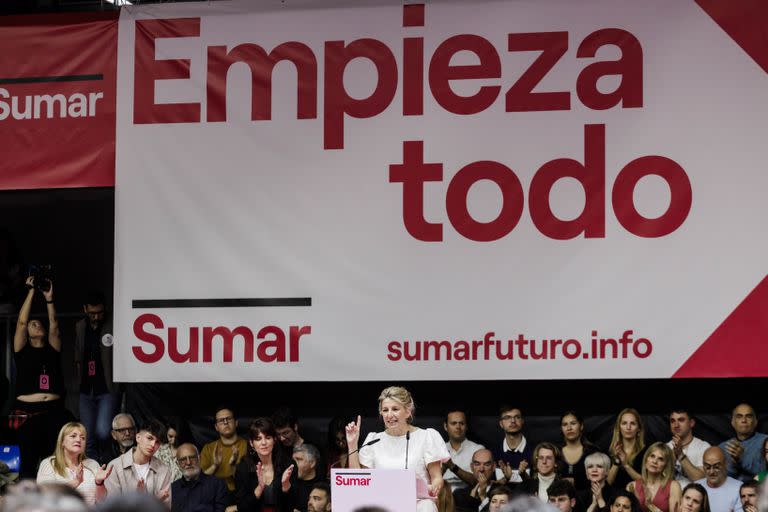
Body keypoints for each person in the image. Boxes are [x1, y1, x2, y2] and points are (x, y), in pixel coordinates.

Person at [346, 385, 450, 512]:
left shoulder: (426, 436)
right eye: (385, 410)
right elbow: (357, 482)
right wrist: (352, 444)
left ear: (408, 411)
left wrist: (431, 489)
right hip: (382, 506)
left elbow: (437, 479)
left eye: (395, 409)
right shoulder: (373, 440)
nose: (389, 415)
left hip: (417, 504)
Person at [11, 275, 71, 477]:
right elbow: (20, 322)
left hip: (53, 411)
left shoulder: (52, 348)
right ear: (27, 332)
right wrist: (30, 292)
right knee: (27, 462)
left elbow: (54, 323)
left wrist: (49, 299)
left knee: (54, 463)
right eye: (33, 324)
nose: (38, 325)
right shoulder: (21, 350)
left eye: (39, 323)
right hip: (28, 412)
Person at [74, 291, 120, 463]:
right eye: (92, 313)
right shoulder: (80, 326)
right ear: (85, 309)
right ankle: (93, 474)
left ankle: (108, 464)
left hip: (107, 387)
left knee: (103, 431)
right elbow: (78, 356)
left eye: (99, 312)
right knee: (87, 437)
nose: (96, 316)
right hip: (86, 389)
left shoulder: (112, 324)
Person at [36, 422, 112, 505]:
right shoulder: (49, 463)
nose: (79, 440)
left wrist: (99, 483)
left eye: (83, 438)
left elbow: (102, 502)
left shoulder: (93, 464)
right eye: (73, 436)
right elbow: (43, 496)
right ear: (62, 442)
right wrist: (76, 482)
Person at [104, 419, 172, 506]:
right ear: (138, 437)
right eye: (149, 438)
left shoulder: (164, 470)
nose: (153, 444)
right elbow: (112, 508)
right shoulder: (115, 467)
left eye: (157, 442)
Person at [234, 417, 297, 512]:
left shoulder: (288, 465)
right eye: (258, 439)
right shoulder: (242, 468)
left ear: (274, 440)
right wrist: (259, 489)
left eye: (268, 437)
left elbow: (291, 507)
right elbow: (241, 507)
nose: (264, 443)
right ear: (251, 443)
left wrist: (285, 486)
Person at [201, 406, 248, 493]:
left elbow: (250, 480)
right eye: (221, 420)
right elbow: (201, 481)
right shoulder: (208, 449)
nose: (225, 422)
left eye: (228, 418)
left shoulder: (247, 446)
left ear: (236, 422)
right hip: (214, 495)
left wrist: (233, 466)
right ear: (216, 427)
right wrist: (214, 466)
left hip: (241, 493)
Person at [171, 443, 228, 512]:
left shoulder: (217, 484)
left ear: (199, 458)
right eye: (183, 459)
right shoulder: (173, 489)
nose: (188, 462)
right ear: (178, 464)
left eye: (192, 457)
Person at [625, 442, 681, 512]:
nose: (655, 461)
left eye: (660, 459)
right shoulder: (632, 486)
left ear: (666, 465)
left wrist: (650, 505)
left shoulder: (674, 486)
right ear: (646, 460)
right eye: (652, 456)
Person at [719, 404, 768, 482]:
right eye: (739, 416)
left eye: (748, 416)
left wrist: (742, 459)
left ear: (755, 422)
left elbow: (765, 474)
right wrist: (734, 463)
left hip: (759, 490)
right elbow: (720, 478)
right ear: (733, 422)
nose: (744, 420)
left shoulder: (765, 442)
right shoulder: (722, 447)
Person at [443, 409, 484, 493]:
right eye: (453, 423)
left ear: (466, 427)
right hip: (442, 495)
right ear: (445, 426)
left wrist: (452, 467)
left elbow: (478, 481)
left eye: (461, 423)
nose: (458, 427)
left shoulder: (478, 450)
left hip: (467, 496)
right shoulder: (438, 449)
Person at [667, 409, 708, 487]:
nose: (676, 425)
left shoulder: (703, 447)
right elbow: (661, 478)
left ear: (691, 423)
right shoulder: (665, 447)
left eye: (681, 420)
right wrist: (673, 456)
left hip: (693, 497)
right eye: (672, 421)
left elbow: (701, 480)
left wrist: (680, 454)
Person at [694, 446, 743, 512]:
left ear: (726, 464)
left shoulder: (739, 488)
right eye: (708, 467)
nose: (712, 472)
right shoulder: (695, 487)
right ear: (703, 466)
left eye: (716, 467)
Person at [608, 409, 646, 490]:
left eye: (632, 423)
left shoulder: (646, 452)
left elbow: (647, 482)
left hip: (638, 498)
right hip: (615, 499)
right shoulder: (610, 451)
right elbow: (608, 482)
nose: (628, 427)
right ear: (619, 427)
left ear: (639, 428)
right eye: (624, 423)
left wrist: (626, 465)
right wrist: (617, 461)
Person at [492, 406, 532, 484]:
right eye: (507, 417)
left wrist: (524, 475)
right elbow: (489, 486)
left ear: (522, 421)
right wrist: (505, 479)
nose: (513, 421)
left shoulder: (535, 451)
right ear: (501, 423)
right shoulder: (493, 452)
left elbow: (538, 486)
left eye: (517, 417)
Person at [559, 411, 597, 491]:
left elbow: (602, 480)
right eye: (565, 425)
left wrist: (577, 482)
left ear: (581, 426)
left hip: (588, 500)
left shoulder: (593, 452)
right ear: (561, 429)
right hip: (558, 501)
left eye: (573, 423)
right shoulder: (555, 452)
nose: (569, 428)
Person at [156, 418, 188, 482]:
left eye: (177, 437)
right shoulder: (160, 450)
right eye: (170, 436)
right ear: (166, 434)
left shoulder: (188, 452)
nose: (173, 441)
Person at [292, 444, 323, 512]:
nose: (293, 464)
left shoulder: (323, 486)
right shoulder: (288, 483)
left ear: (312, 463)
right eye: (293, 460)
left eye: (298, 459)